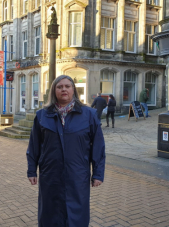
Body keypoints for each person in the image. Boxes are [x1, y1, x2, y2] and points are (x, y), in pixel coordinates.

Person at [26, 75, 106, 227]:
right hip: (50, 176)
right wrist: (31, 170)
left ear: (73, 90)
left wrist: (98, 173)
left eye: (67, 86)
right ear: (54, 91)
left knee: (77, 216)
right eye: (59, 86)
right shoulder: (42, 116)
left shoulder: (88, 115)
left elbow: (98, 146)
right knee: (50, 215)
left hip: (77, 175)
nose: (64, 89)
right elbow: (34, 145)